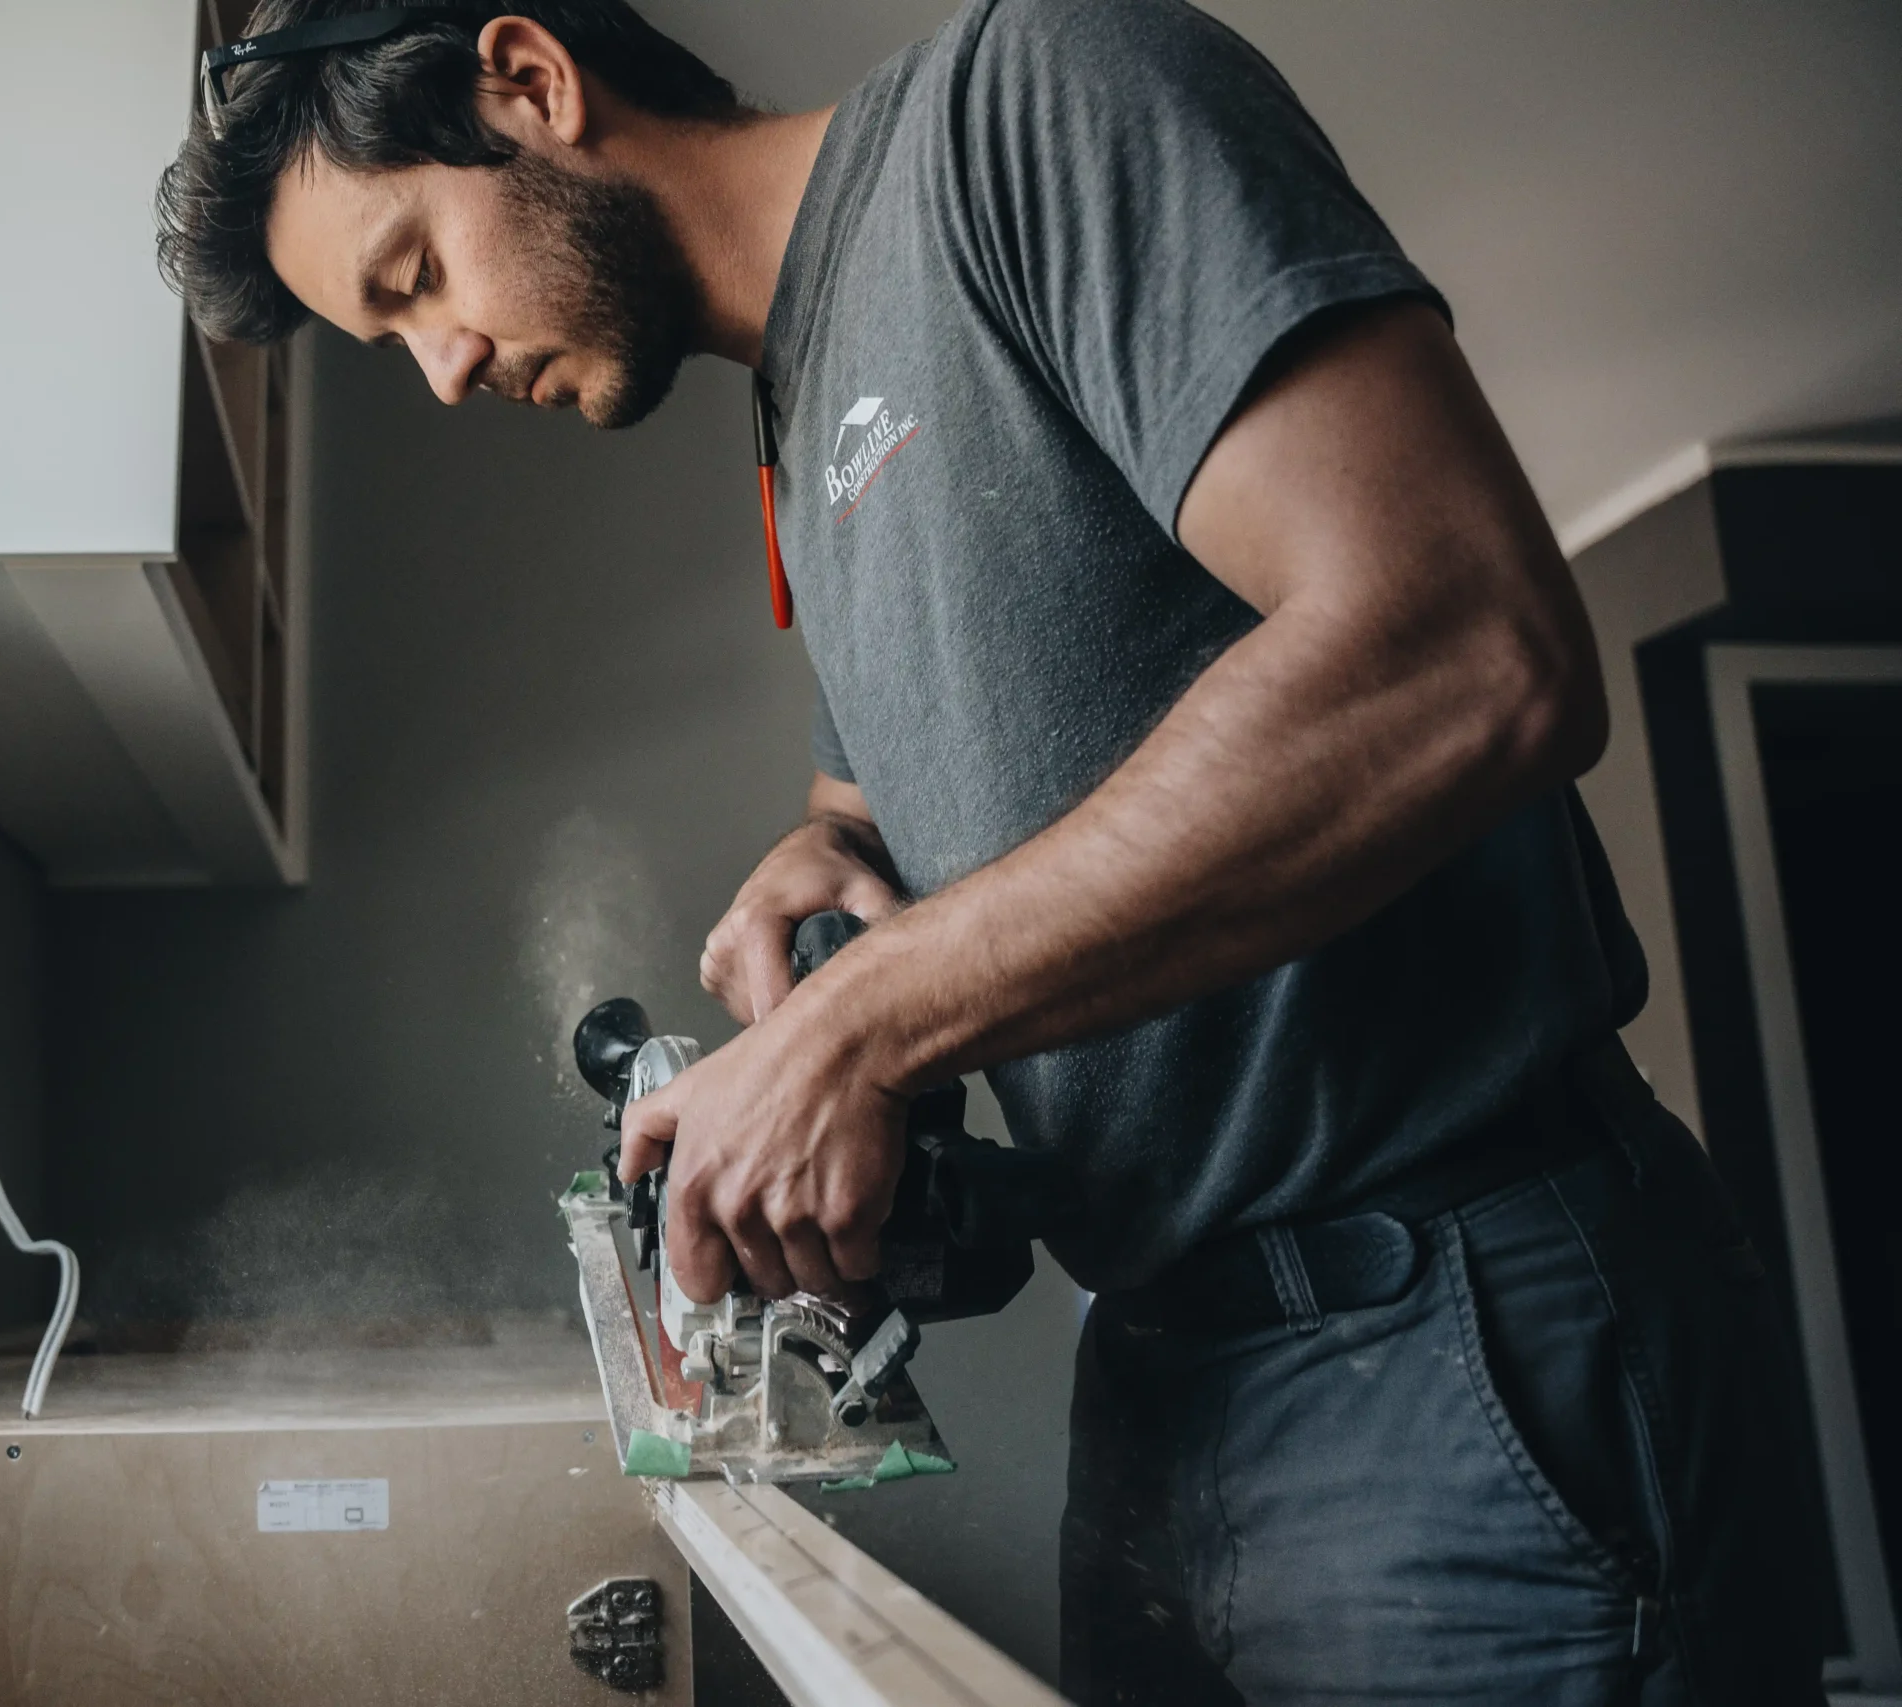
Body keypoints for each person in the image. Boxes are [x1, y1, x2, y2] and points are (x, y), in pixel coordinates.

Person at [158, 2, 1830, 1700]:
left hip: (1442, 1339)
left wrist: (859, 1025)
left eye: (413, 275)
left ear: (530, 82)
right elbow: (953, 779)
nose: (441, 369)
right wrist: (818, 876)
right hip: (1165, 1383)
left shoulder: (1028, 106)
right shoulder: (803, 424)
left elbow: (1464, 645)